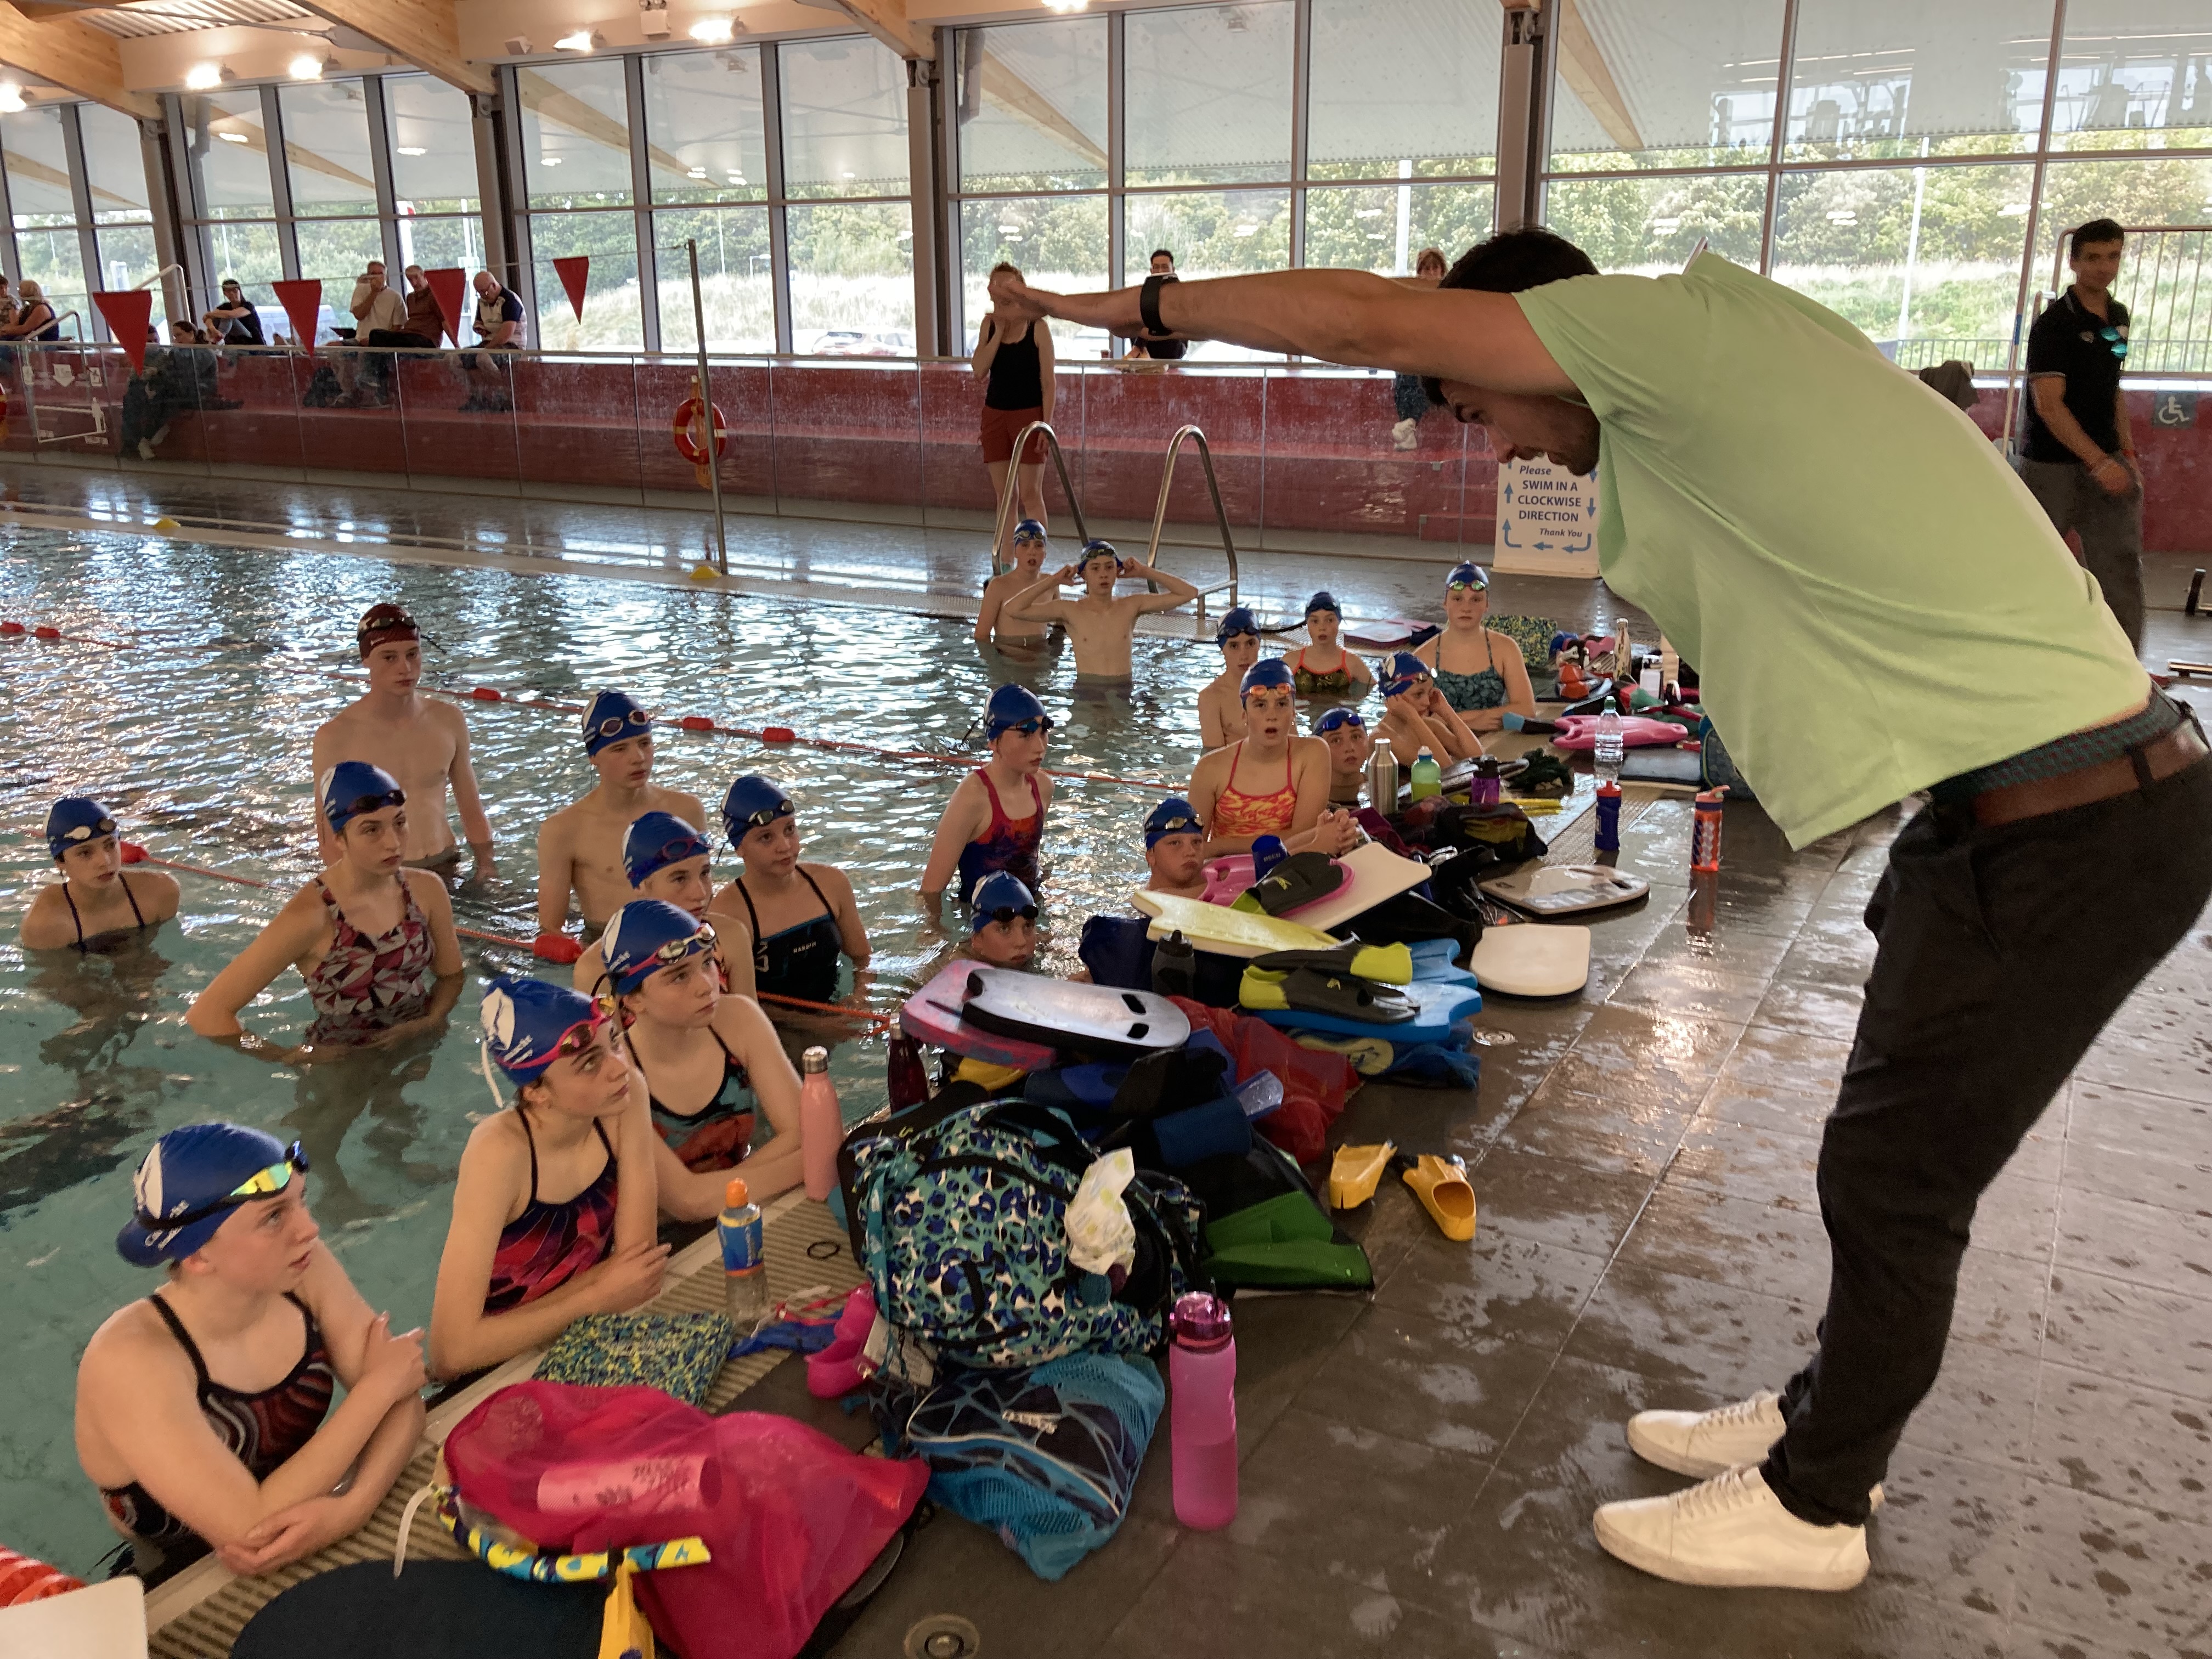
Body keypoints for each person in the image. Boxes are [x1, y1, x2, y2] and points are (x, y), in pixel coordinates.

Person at [987, 229, 2210, 1591]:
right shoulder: (1711, 369)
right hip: (2022, 809)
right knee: (1875, 1159)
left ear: (1529, 333)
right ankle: (1829, 1420)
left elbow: (1358, 318)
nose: (1501, 445)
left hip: (2077, 825)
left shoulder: (1654, 335)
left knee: (1896, 1184)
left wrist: (1119, 307)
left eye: (1477, 405)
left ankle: (1817, 1510)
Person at [75, 1124, 427, 1585]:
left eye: (301, 1202)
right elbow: (248, 1529)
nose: (309, 1229)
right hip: (178, 1568)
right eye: (274, 1217)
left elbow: (406, 1398)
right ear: (198, 1255)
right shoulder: (130, 1360)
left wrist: (353, 1507)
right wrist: (377, 1389)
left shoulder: (301, 1269)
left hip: (317, 1510)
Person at [428, 979, 669, 1380]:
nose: (619, 1068)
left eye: (614, 1042)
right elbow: (450, 1354)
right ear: (536, 1092)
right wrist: (595, 1298)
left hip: (567, 1337)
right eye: (589, 1063)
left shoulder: (625, 1100)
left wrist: (604, 1295)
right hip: (495, 1369)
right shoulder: (500, 1153)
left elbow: (639, 1267)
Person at [188, 763, 464, 1063]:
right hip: (342, 1067)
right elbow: (208, 1014)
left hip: (417, 1046)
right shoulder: (312, 916)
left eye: (399, 823)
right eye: (371, 830)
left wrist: (430, 1021)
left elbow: (451, 976)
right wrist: (291, 1056)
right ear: (339, 838)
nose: (393, 843)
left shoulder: (425, 890)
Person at [602, 900, 806, 1207]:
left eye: (708, 962)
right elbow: (685, 1202)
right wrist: (812, 1162)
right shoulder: (617, 1075)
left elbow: (803, 1132)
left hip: (740, 1204)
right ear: (632, 999)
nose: (707, 985)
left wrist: (714, 1191)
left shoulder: (739, 1020)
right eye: (679, 976)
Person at [2020, 218, 2145, 652]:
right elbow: (2049, 406)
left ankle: (2126, 665)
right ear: (2074, 263)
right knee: (2037, 564)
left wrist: (2126, 454)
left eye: (2112, 256)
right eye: (2092, 258)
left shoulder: (2118, 319)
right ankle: (2029, 655)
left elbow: (2113, 386)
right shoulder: (2054, 326)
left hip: (2108, 459)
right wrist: (2100, 462)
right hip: (2052, 467)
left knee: (2120, 565)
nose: (2103, 267)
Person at [311, 603, 495, 877]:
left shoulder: (448, 720)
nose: (405, 668)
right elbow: (329, 835)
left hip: (446, 863)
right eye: (389, 658)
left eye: (412, 654)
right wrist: (352, 890)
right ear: (366, 660)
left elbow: (472, 809)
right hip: (379, 873)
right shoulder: (336, 736)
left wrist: (487, 866)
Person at [534, 691, 706, 959]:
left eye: (645, 743)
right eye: (619, 749)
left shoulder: (686, 810)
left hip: (683, 941)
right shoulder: (563, 830)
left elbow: (705, 895)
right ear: (593, 756)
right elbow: (551, 931)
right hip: (612, 952)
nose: (638, 757)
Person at [710, 776, 869, 1007]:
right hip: (772, 1026)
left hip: (837, 1013)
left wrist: (861, 997)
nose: (785, 846)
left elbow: (863, 960)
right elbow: (737, 1005)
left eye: (789, 829)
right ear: (739, 847)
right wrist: (819, 1023)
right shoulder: (728, 913)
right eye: (766, 837)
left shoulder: (832, 884)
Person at [572, 810, 752, 1000]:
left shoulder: (730, 936)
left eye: (705, 873)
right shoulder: (598, 969)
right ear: (640, 885)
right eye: (680, 879)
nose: (701, 893)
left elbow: (748, 1016)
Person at [1186, 659, 1358, 857]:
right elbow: (1193, 849)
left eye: (1282, 704)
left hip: (1290, 867)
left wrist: (1220, 846)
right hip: (1227, 873)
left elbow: (1305, 834)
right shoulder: (1210, 768)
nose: (1272, 715)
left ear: (1293, 713)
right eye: (1260, 705)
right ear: (1244, 715)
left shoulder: (1313, 753)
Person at [921, 684, 1054, 909]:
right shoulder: (972, 797)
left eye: (1044, 731)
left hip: (1028, 913)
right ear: (993, 741)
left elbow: (1027, 861)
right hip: (979, 920)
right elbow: (930, 891)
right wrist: (937, 930)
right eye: (1025, 734)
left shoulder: (1043, 787)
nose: (1040, 747)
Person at [1002, 537, 1201, 680]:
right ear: (1084, 576)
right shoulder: (1069, 611)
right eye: (1095, 568)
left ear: (1117, 572)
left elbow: (1190, 593)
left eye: (1109, 567)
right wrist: (1054, 580)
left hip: (1123, 690)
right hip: (1087, 693)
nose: (1103, 574)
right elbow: (1013, 609)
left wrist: (1145, 572)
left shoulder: (1131, 605)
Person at [973, 265, 1056, 566]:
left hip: (1029, 416)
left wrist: (1046, 425)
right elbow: (979, 370)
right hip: (995, 414)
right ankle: (1008, 564)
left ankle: (1037, 561)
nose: (1003, 296)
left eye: (1009, 289)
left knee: (1030, 494)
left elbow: (1049, 383)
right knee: (1005, 496)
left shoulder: (1037, 327)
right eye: (997, 289)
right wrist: (999, 332)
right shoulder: (989, 325)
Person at [20, 797, 180, 952]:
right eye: (85, 853)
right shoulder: (44, 925)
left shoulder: (161, 892)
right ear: (60, 863)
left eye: (110, 845)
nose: (105, 861)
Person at [1412, 562, 1537, 731]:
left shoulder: (1506, 649)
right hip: (1441, 743)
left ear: (1487, 605)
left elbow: (1527, 710)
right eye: (1457, 599)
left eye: (1476, 600)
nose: (1466, 608)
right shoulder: (1422, 658)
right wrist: (1472, 722)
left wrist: (1448, 720)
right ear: (1445, 603)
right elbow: (1413, 722)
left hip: (1492, 742)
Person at [1376, 651, 1483, 763]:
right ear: (1393, 698)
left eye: (1429, 693)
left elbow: (1479, 758)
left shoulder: (1431, 726)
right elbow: (1445, 768)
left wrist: (1447, 711)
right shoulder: (1382, 739)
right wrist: (1413, 718)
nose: (1427, 702)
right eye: (1418, 694)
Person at [1390, 247, 1449, 449]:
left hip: (1438, 354)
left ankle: (1409, 424)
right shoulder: (1411, 297)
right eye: (1426, 269)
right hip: (1417, 351)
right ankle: (1408, 424)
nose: (1431, 273)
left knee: (1423, 375)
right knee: (1403, 372)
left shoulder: (1450, 296)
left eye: (1435, 268)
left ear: (1442, 271)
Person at [335, 261, 407, 404]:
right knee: (334, 348)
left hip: (380, 342)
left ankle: (371, 395)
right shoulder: (361, 290)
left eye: (380, 274)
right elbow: (359, 314)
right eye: (373, 274)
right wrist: (373, 293)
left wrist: (379, 341)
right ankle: (347, 390)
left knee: (365, 354)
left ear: (386, 276)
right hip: (359, 339)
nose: (377, 278)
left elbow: (398, 327)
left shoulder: (395, 297)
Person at [975, 518, 1056, 647]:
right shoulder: (998, 586)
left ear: (1045, 553)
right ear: (1015, 551)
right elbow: (981, 636)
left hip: (1040, 656)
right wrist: (995, 660)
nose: (1032, 551)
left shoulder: (1051, 584)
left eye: (1039, 545)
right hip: (1007, 656)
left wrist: (1054, 656)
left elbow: (1060, 628)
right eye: (1025, 545)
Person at [1285, 591, 1374, 698]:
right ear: (1307, 624)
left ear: (1339, 622)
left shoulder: (1353, 663)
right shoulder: (1291, 662)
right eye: (1315, 621)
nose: (1322, 627)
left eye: (1330, 620)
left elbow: (1376, 694)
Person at [1198, 607, 1263, 750]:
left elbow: (1294, 747)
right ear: (1223, 649)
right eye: (1234, 646)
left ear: (1259, 644)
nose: (1244, 655)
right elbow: (1213, 758)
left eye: (1250, 644)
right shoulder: (1211, 698)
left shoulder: (1278, 686)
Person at [461, 269, 524, 413]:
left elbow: (506, 334)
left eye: (485, 292)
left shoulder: (510, 301)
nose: (483, 296)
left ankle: (504, 398)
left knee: (483, 358)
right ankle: (478, 397)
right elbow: (478, 322)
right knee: (455, 359)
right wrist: (479, 328)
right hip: (489, 342)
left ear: (494, 286)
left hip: (512, 345)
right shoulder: (483, 301)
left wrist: (486, 349)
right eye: (479, 293)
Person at [962, 871, 1040, 969]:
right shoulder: (956, 972)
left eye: (1028, 926)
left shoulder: (1048, 948)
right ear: (978, 940)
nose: (1021, 942)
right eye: (1004, 929)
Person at [1125, 250, 1186, 363]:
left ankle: (1137, 349)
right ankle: (1138, 349)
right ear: (1151, 271)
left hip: (1173, 347)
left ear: (1173, 270)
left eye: (1165, 267)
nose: (1160, 271)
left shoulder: (1181, 293)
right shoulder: (1143, 293)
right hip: (1147, 349)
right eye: (1156, 267)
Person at [368, 264, 444, 352]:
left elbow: (445, 322)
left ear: (423, 275)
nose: (414, 283)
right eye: (410, 279)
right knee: (375, 334)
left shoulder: (434, 296)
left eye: (416, 277)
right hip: (408, 335)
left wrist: (455, 345)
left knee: (404, 341)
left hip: (426, 338)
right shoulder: (410, 298)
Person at [1142, 797, 1207, 898]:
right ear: (1151, 856)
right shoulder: (1148, 902)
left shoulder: (1211, 873)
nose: (1191, 851)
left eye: (1196, 842)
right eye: (1175, 843)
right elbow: (1163, 898)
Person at [1313, 707, 1374, 806]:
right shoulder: (1306, 793)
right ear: (1318, 749)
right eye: (1336, 740)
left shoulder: (1381, 787)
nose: (1350, 748)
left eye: (1356, 737)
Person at [201, 278, 264, 348]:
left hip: (251, 341)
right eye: (228, 291)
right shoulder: (224, 307)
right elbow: (207, 318)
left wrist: (210, 314)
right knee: (218, 317)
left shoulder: (248, 306)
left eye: (234, 290)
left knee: (228, 317)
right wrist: (213, 329)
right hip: (233, 341)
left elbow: (232, 314)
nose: (232, 293)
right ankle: (216, 338)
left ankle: (219, 338)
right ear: (225, 294)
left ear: (239, 291)